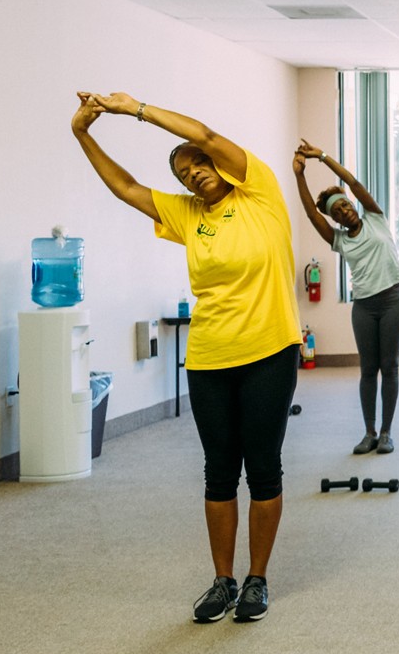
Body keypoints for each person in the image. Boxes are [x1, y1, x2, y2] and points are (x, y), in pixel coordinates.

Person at [71, 92, 301, 622]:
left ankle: (257, 580)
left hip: (269, 349)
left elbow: (207, 136)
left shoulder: (258, 191)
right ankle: (223, 581)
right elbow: (126, 187)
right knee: (219, 471)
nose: (194, 172)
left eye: (199, 163)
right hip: (208, 356)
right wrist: (84, 134)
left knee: (263, 467)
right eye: (183, 172)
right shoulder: (187, 214)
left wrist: (136, 110)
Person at [292, 140, 399, 456]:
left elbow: (354, 183)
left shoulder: (374, 216)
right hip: (365, 308)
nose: (345, 210)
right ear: (337, 219)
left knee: (391, 367)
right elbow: (310, 213)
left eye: (345, 204)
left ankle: (386, 432)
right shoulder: (339, 240)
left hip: (393, 302)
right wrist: (300, 176)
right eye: (338, 211)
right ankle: (369, 432)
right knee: (368, 369)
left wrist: (322, 157)